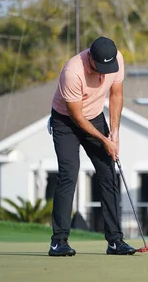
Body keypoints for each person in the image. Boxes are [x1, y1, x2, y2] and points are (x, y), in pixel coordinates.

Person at [47, 36, 136, 256]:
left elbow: (116, 95)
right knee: (69, 173)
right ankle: (58, 242)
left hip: (95, 116)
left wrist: (114, 133)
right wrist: (104, 140)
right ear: (90, 59)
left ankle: (115, 241)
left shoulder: (117, 60)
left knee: (108, 172)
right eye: (101, 67)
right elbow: (77, 117)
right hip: (66, 120)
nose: (105, 73)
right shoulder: (72, 72)